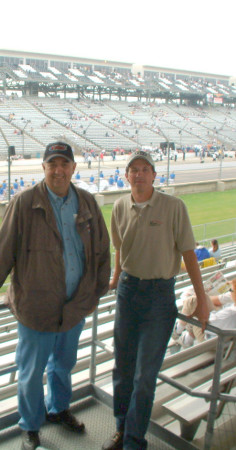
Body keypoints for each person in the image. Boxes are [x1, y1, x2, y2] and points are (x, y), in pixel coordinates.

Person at [0, 141, 110, 450]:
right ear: (43, 167)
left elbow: (102, 252)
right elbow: (2, 251)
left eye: (64, 164)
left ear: (73, 168)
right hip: (35, 308)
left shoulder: (88, 203)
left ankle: (58, 409)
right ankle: (30, 425)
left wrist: (93, 294)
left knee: (64, 366)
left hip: (73, 308)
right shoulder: (25, 203)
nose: (58, 170)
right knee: (30, 373)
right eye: (52, 164)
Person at [102, 150, 209, 450]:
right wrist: (115, 278)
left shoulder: (174, 206)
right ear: (126, 176)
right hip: (127, 292)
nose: (138, 174)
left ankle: (134, 442)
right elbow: (120, 249)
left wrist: (202, 299)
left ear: (154, 175)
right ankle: (122, 430)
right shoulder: (120, 206)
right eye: (133, 169)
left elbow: (189, 253)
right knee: (122, 369)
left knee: (144, 376)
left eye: (144, 169)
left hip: (159, 298)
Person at [174, 279, 236, 347]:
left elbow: (207, 323)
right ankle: (186, 339)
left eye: (231, 290)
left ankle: (177, 333)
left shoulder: (230, 314)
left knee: (191, 303)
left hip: (213, 343)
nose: (230, 293)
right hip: (226, 339)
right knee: (200, 300)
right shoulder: (231, 310)